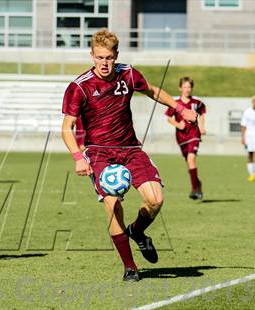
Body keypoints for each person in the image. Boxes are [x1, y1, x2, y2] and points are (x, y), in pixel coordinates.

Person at [61, 29, 197, 281]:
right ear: (92, 55)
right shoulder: (79, 87)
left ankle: (137, 230)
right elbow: (66, 128)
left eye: (109, 58)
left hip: (131, 150)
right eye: (100, 57)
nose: (104, 63)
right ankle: (130, 267)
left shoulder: (128, 73)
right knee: (113, 206)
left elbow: (153, 91)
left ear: (116, 56)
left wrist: (180, 108)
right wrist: (78, 157)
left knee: (156, 200)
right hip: (99, 153)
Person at [165, 77, 206, 199]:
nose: (187, 89)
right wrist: (178, 125)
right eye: (185, 87)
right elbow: (169, 118)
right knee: (188, 162)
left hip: (194, 134)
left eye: (189, 87)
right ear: (180, 88)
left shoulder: (196, 103)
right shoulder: (175, 103)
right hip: (181, 137)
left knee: (191, 159)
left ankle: (195, 190)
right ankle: (197, 183)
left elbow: (202, 114)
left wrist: (202, 127)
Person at [241, 96, 255, 181]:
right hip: (249, 136)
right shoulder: (247, 112)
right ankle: (252, 174)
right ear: (252, 102)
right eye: (254, 101)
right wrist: (242, 137)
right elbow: (243, 125)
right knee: (249, 155)